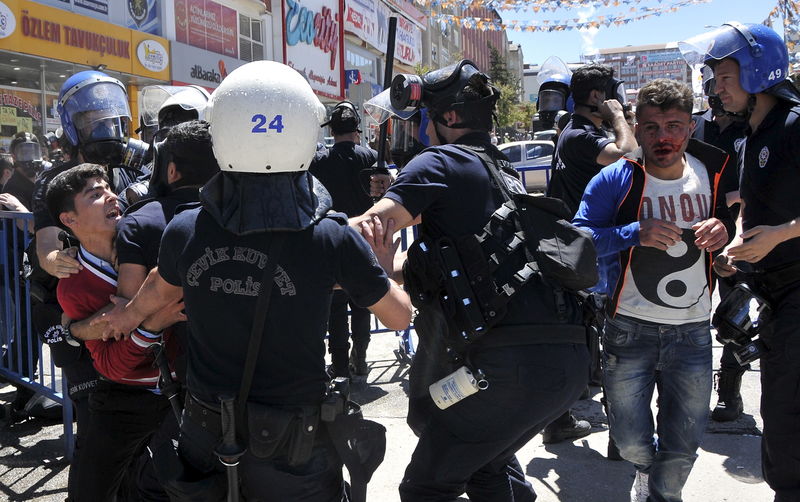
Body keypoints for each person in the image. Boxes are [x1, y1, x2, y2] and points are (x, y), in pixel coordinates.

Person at [93, 60, 411, 501]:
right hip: (295, 446)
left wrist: (113, 320)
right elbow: (399, 317)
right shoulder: (333, 237)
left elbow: (149, 301)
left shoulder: (185, 230)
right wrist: (378, 266)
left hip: (205, 436)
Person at [354, 59, 590, 501]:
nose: (420, 130)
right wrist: (389, 268)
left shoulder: (438, 161)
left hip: (508, 366)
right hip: (565, 362)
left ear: (447, 118)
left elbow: (369, 228)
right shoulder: (500, 171)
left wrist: (302, 230)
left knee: (427, 486)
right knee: (485, 469)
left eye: (424, 119)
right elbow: (455, 263)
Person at [573, 79, 731, 502]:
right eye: (652, 127)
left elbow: (732, 228)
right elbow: (575, 239)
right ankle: (645, 471)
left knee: (684, 442)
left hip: (693, 332)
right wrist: (632, 232)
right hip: (628, 330)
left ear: (691, 128)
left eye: (675, 125)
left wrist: (724, 233)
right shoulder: (615, 180)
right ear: (637, 129)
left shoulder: (713, 173)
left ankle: (662, 494)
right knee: (629, 442)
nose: (664, 137)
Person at [682, 22, 800, 501]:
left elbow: (781, 224)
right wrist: (737, 246)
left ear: (757, 71)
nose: (716, 88)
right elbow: (757, 206)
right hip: (771, 290)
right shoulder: (752, 134)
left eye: (725, 77)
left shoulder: (794, 125)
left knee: (789, 408)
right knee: (779, 406)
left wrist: (780, 236)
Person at [27, 70, 144, 500]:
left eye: (109, 110)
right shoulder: (55, 181)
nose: (105, 120)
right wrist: (56, 261)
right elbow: (45, 243)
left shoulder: (131, 168)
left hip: (133, 312)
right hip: (81, 317)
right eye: (93, 113)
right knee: (98, 427)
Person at [44, 164, 183, 501]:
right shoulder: (74, 285)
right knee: (90, 490)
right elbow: (113, 364)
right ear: (69, 220)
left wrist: (130, 320)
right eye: (95, 195)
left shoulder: (156, 241)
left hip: (186, 391)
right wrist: (150, 323)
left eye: (108, 188)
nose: (110, 196)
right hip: (124, 396)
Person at [691, 75, 750, 422]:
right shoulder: (697, 125)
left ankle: (729, 392)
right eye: (712, 85)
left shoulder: (751, 128)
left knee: (736, 317)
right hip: (695, 231)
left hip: (736, 231)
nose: (717, 92)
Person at [310, 101, 382, 379]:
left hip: (331, 239)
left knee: (336, 308)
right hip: (365, 238)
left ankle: (339, 365)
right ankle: (360, 358)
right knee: (363, 301)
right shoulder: (371, 157)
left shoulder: (320, 161)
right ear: (356, 129)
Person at [547, 63, 637, 216]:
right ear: (596, 96)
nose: (618, 101)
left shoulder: (577, 128)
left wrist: (627, 125)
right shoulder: (579, 135)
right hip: (585, 234)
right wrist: (617, 116)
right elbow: (630, 155)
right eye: (614, 93)